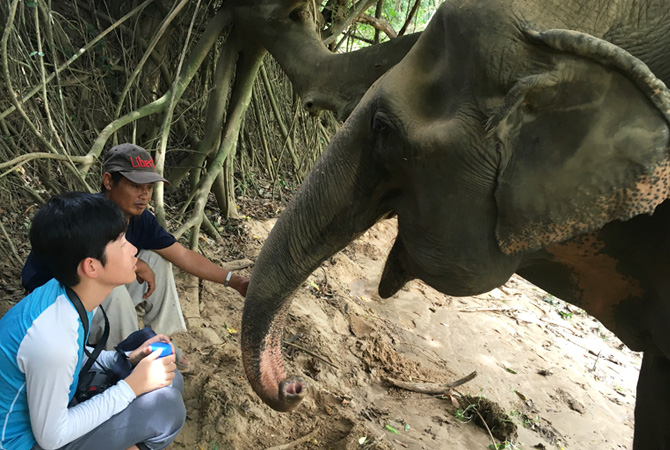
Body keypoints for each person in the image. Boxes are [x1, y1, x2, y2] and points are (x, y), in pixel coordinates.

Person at [22, 143, 250, 364]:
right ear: (109, 181)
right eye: (135, 186)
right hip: (56, 307)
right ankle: (132, 356)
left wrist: (235, 281)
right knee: (111, 287)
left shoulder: (141, 219)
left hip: (93, 301)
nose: (144, 195)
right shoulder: (87, 219)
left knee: (158, 259)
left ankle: (158, 339)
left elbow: (183, 255)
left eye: (149, 187)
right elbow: (85, 273)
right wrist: (137, 264)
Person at [0, 192, 185, 450]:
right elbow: (51, 437)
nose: (133, 249)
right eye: (121, 243)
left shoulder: (66, 294)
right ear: (91, 267)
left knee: (165, 371)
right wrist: (132, 387)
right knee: (165, 408)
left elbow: (76, 355)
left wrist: (126, 358)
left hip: (49, 409)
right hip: (25, 442)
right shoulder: (52, 340)